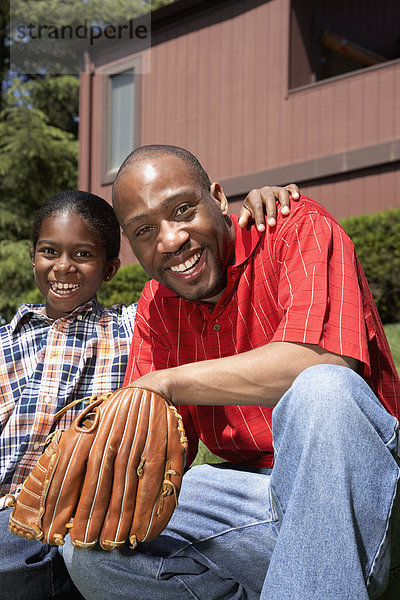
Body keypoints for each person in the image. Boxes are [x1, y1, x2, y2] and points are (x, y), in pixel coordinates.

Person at [61, 145, 400, 600]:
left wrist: (168, 381)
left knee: (324, 390)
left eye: (182, 210)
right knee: (93, 543)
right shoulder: (157, 308)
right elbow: (155, 450)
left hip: (365, 487)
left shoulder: (293, 227)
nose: (170, 239)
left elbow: (321, 358)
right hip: (256, 502)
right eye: (145, 230)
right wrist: (97, 473)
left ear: (219, 198)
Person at [1, 185, 297, 600]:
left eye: (83, 255)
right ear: (33, 257)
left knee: (13, 559)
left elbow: (201, 283)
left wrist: (244, 211)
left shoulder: (131, 325)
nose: (63, 267)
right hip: (10, 503)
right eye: (49, 251)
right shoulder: (4, 343)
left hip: (76, 502)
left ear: (110, 269)